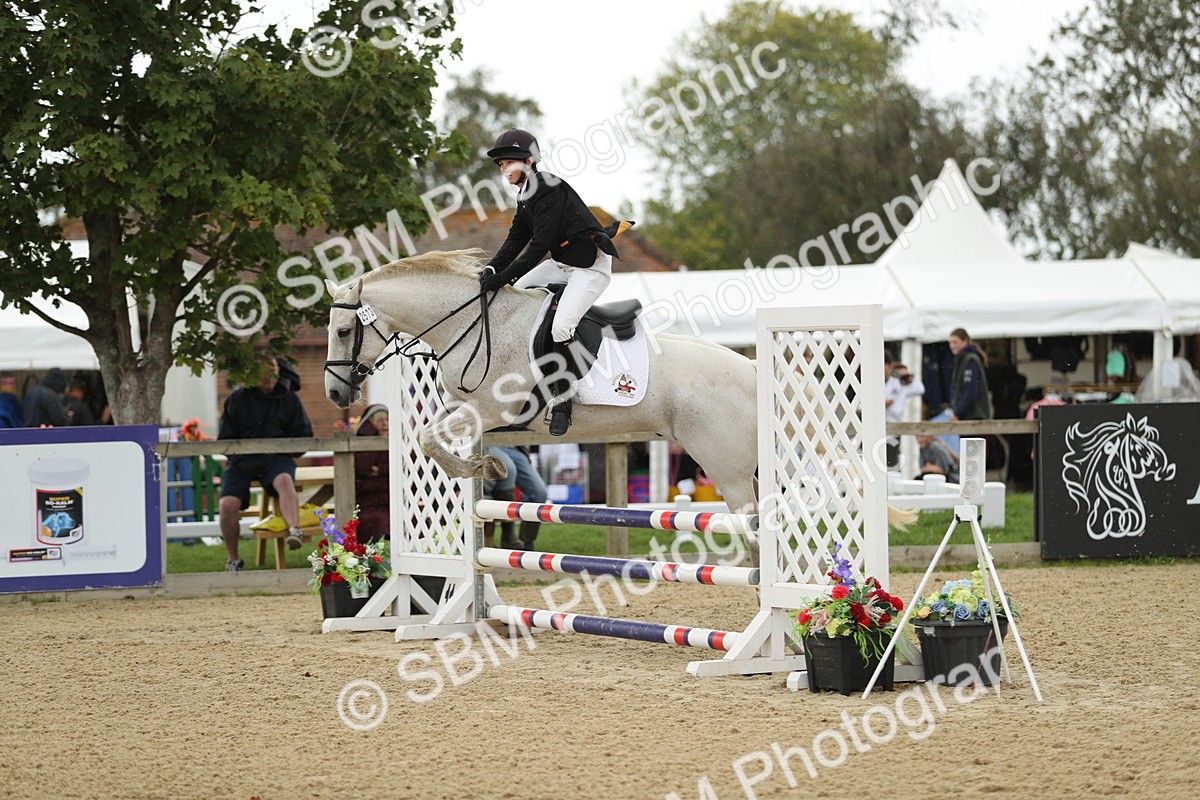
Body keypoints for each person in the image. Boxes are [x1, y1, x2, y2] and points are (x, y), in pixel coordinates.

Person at [477, 128, 620, 437]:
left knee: (561, 328)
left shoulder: (548, 188)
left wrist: (504, 276)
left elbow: (538, 246)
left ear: (529, 162)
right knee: (515, 294)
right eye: (500, 165)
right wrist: (491, 270)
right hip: (563, 264)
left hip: (589, 268)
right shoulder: (526, 194)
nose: (502, 170)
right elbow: (516, 239)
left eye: (507, 163)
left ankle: (565, 399)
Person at [217, 349, 313, 571]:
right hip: (242, 462)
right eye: (264, 371)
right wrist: (240, 454)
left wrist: (289, 449)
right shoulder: (237, 400)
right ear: (251, 374)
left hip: (276, 460)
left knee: (284, 482)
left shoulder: (289, 398)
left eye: (273, 371)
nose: (269, 376)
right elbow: (225, 441)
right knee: (226, 504)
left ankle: (294, 530)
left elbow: (304, 434)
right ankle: (234, 559)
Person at [929, 328, 991, 456]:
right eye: (950, 342)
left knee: (972, 458)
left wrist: (957, 412)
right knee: (969, 458)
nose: (952, 346)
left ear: (965, 341)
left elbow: (970, 392)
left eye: (955, 342)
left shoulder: (970, 360)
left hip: (973, 418)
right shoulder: (963, 359)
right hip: (967, 417)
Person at [483, 445, 549, 550]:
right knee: (508, 469)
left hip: (516, 445)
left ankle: (527, 542)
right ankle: (509, 536)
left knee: (540, 494)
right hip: (488, 442)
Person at [354, 404, 391, 544]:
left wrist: (380, 470)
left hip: (394, 500)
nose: (385, 424)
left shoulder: (399, 442)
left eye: (387, 420)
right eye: (379, 420)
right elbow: (363, 469)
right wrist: (369, 435)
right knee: (373, 520)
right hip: (370, 501)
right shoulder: (363, 445)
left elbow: (405, 467)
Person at [883, 350, 924, 468]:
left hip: (894, 428)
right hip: (876, 428)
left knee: (891, 462)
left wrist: (906, 375)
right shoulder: (872, 383)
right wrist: (882, 403)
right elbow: (860, 405)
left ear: (890, 366)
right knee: (875, 461)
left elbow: (920, 389)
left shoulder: (899, 383)